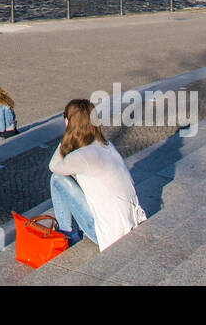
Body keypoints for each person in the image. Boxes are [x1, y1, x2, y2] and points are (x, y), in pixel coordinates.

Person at [47, 99, 146, 250]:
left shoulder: (82, 156)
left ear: (68, 121)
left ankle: (64, 234)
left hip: (108, 233)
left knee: (57, 179)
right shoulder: (105, 144)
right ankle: (68, 231)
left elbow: (53, 166)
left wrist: (67, 136)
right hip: (128, 221)